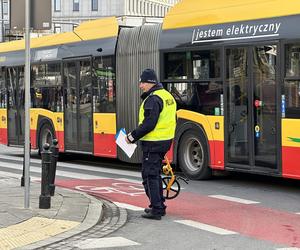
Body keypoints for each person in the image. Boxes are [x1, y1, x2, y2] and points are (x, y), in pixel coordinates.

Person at [126, 68, 177, 220]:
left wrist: (132, 136)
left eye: (142, 82)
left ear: (149, 83)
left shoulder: (153, 99)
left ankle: (157, 209)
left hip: (153, 143)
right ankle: (158, 205)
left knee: (150, 175)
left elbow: (149, 123)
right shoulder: (167, 96)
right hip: (164, 141)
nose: (140, 85)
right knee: (152, 173)